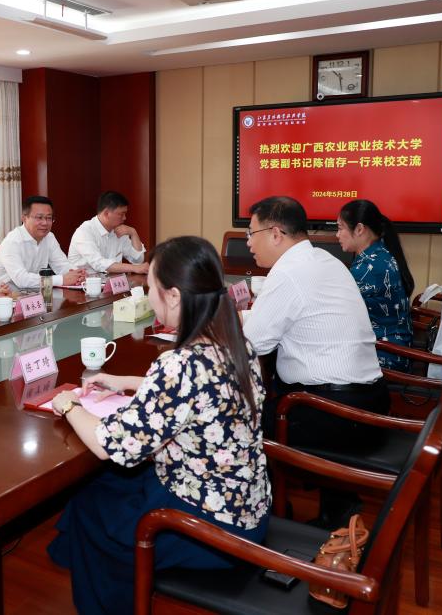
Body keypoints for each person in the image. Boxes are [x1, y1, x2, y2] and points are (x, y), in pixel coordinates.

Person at [48, 236, 270, 615]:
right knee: (103, 485)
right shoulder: (233, 342)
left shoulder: (179, 365)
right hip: (245, 506)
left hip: (209, 529)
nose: (147, 296)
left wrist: (68, 403)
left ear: (174, 296)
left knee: (90, 505)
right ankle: (82, 561)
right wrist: (123, 382)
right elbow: (198, 392)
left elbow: (107, 445)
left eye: (150, 287)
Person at [243, 196, 387, 529]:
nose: (248, 242)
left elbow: (254, 342)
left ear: (276, 233)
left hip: (334, 413)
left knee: (241, 419)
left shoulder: (288, 272)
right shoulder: (324, 259)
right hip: (370, 401)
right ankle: (338, 507)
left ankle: (266, 514)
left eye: (252, 233)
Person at [336, 199, 415, 371]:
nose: (337, 235)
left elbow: (337, 312)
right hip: (395, 350)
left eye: (341, 228)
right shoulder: (380, 253)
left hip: (384, 356)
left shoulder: (369, 267)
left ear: (359, 229)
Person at [0, 195, 85, 289]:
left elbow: (62, 265)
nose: (45, 223)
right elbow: (22, 280)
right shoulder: (12, 241)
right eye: (39, 217)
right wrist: (61, 279)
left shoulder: (49, 237)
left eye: (49, 218)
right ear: (24, 218)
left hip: (31, 292)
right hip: (2, 296)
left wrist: (78, 275)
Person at [67, 191, 150, 274]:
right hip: (84, 281)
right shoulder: (85, 231)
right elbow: (98, 263)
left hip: (110, 280)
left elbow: (138, 260)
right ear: (107, 213)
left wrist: (133, 233)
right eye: (121, 214)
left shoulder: (119, 230)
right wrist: (133, 268)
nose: (124, 218)